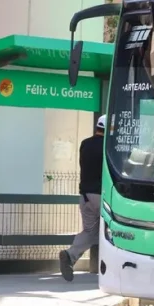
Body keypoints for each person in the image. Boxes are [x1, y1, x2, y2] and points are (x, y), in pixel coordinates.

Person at [59, 114, 106, 282]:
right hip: (103, 196)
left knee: (90, 231)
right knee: (115, 231)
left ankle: (70, 255)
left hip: (85, 196)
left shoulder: (85, 144)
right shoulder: (108, 146)